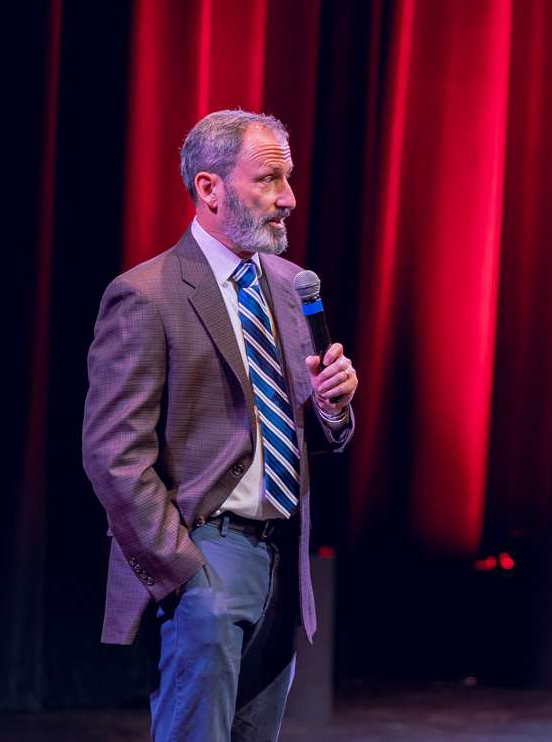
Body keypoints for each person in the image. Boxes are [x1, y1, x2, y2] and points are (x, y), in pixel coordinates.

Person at [83, 109, 357, 741]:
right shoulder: (147, 293)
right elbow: (112, 452)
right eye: (268, 180)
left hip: (282, 556)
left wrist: (333, 405)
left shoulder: (290, 285)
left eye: (288, 180)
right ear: (209, 188)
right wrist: (184, 572)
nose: (287, 199)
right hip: (205, 552)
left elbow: (311, 430)